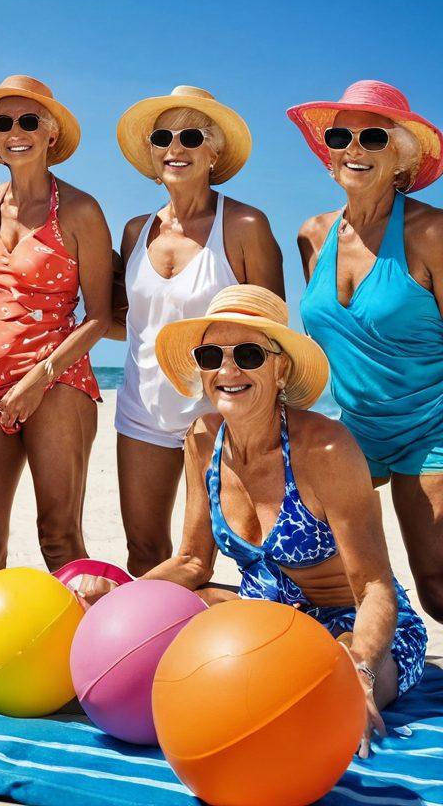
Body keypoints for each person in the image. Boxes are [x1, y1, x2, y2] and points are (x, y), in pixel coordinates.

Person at [85, 285, 426, 758]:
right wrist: (120, 599)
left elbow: (374, 588)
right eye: (210, 355)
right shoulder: (202, 439)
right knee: (173, 623)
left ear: (280, 367)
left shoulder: (326, 449)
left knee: (324, 699)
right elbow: (190, 562)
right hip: (260, 618)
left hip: (353, 626)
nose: (227, 370)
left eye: (247, 353)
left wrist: (363, 667)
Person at [109, 86, 285, 575]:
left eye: (190, 136)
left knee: (217, 560)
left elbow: (272, 330)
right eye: (163, 137)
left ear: (215, 151)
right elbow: (128, 321)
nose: (175, 148)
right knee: (144, 553)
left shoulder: (246, 224)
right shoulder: (134, 231)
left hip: (221, 411)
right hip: (141, 410)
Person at [294, 80, 443, 623]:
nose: (354, 148)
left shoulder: (432, 233)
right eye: (341, 136)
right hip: (353, 428)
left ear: (400, 155)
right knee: (311, 564)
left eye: (373, 137)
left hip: (433, 427)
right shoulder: (312, 234)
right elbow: (310, 347)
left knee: (437, 587)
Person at [0, 76, 112, 571]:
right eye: (4, 123)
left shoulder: (82, 210)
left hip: (57, 384)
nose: (15, 131)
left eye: (29, 121)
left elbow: (101, 315)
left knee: (59, 535)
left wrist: (38, 377)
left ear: (51, 134)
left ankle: (82, 644)